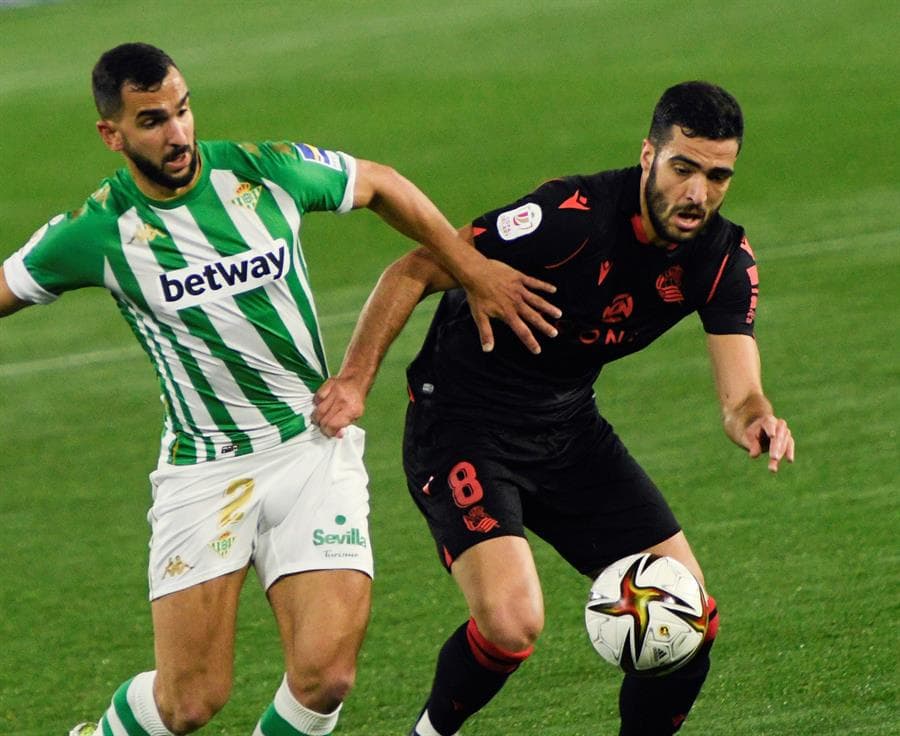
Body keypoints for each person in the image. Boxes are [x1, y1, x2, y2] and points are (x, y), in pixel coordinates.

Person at [0, 43, 560, 736]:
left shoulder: (262, 171)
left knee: (327, 676)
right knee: (190, 703)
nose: (177, 134)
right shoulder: (98, 231)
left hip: (309, 444)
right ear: (111, 134)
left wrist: (470, 268)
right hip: (206, 468)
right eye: (152, 121)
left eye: (182, 110)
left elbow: (382, 183)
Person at [312, 81, 796, 735]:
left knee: (690, 621)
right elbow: (414, 268)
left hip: (567, 429)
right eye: (684, 168)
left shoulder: (720, 258)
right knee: (512, 626)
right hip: (462, 423)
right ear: (648, 153)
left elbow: (740, 396)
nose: (697, 194)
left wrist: (758, 418)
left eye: (717, 176)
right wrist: (354, 381)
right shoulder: (570, 217)